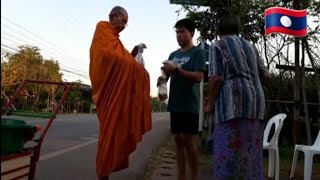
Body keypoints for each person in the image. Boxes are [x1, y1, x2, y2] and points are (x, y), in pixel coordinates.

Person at [89, 6, 152, 180]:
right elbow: (108, 57)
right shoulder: (102, 29)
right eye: (122, 20)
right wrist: (136, 67)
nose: (124, 25)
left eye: (126, 23)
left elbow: (122, 60)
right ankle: (103, 173)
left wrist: (133, 55)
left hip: (114, 94)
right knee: (107, 135)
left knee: (114, 133)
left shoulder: (116, 41)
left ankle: (106, 172)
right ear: (112, 16)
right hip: (107, 94)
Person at [204, 15, 270, 179]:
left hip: (231, 108)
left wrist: (210, 103)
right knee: (251, 156)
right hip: (255, 107)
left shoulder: (217, 46)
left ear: (219, 31)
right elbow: (266, 75)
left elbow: (217, 78)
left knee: (228, 156)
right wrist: (249, 84)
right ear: (237, 30)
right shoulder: (251, 47)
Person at [158, 18, 206, 180]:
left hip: (190, 104)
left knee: (189, 142)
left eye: (182, 32)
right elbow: (167, 76)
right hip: (175, 104)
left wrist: (177, 71)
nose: (178, 35)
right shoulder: (173, 55)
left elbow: (199, 77)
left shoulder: (198, 53)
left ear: (191, 33)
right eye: (177, 32)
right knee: (178, 139)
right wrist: (162, 80)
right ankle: (181, 176)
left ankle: (195, 177)